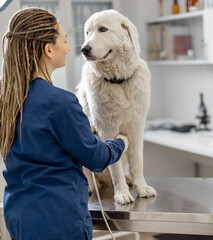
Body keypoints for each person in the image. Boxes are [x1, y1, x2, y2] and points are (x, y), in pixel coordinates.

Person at [0, 8, 128, 240]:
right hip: (57, 220)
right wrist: (120, 143)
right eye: (65, 41)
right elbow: (96, 159)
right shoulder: (59, 102)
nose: (69, 48)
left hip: (19, 215)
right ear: (49, 49)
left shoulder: (8, 97)